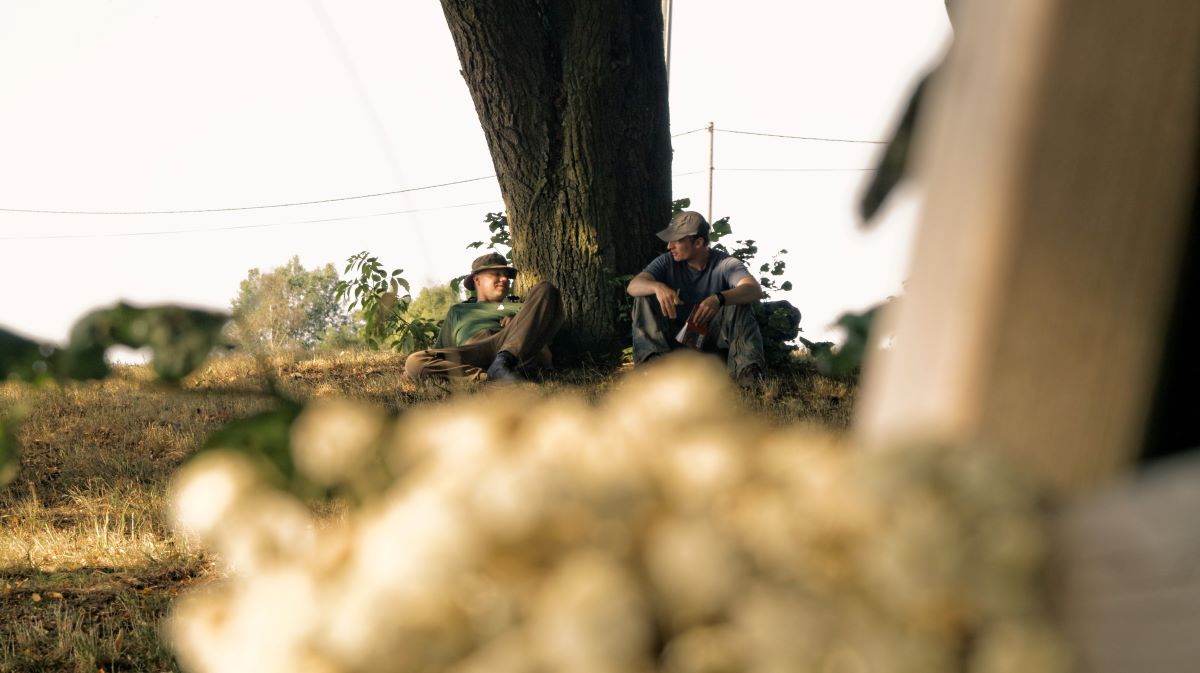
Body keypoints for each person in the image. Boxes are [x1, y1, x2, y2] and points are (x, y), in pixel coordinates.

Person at [626, 210, 767, 385]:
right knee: (644, 296)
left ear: (699, 242)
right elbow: (633, 286)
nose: (669, 246)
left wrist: (719, 298)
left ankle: (748, 377)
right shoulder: (666, 261)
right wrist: (657, 286)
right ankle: (653, 373)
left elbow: (754, 290)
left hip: (713, 350)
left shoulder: (726, 264)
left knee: (739, 302)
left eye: (676, 241)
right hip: (673, 350)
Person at [404, 252, 564, 383]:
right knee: (414, 361)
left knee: (546, 288)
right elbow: (439, 352)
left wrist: (518, 321)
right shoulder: (459, 310)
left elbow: (547, 330)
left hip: (513, 348)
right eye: (496, 274)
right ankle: (490, 378)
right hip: (475, 351)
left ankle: (504, 364)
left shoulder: (521, 306)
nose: (504, 279)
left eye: (506, 276)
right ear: (477, 279)